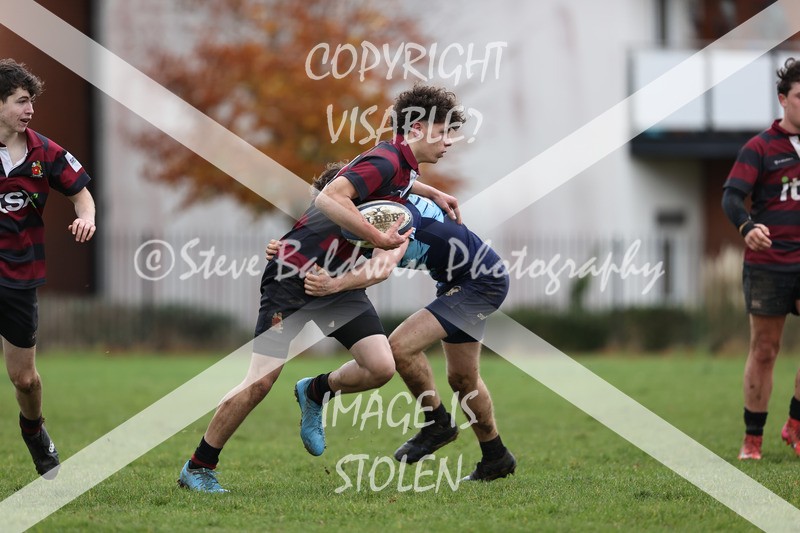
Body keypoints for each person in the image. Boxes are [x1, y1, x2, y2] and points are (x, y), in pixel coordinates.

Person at [177, 84, 464, 493]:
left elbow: (391, 188)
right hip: (292, 279)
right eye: (443, 131)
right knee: (259, 383)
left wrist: (433, 191)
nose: (449, 141)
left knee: (380, 367)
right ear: (417, 128)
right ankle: (198, 466)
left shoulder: (404, 168)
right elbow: (330, 197)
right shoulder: (386, 159)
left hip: (338, 284)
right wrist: (377, 238)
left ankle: (314, 391)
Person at [293, 172, 515, 481]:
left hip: (481, 282)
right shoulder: (380, 198)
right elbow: (400, 181)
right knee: (463, 379)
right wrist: (283, 249)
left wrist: (334, 285)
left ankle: (437, 423)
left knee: (399, 348)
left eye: (332, 204)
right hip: (459, 282)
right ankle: (496, 457)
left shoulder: (388, 214)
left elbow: (381, 268)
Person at [0, 59, 96, 478]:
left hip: (19, 277)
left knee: (25, 380)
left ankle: (33, 429)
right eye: (22, 101)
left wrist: (87, 217)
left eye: (31, 101)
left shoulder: (44, 151)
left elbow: (82, 194)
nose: (30, 109)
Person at [723, 57, 800, 461]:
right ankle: (752, 439)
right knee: (765, 349)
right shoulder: (760, 148)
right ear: (783, 99)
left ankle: (796, 423)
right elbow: (732, 197)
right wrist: (746, 227)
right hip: (770, 264)